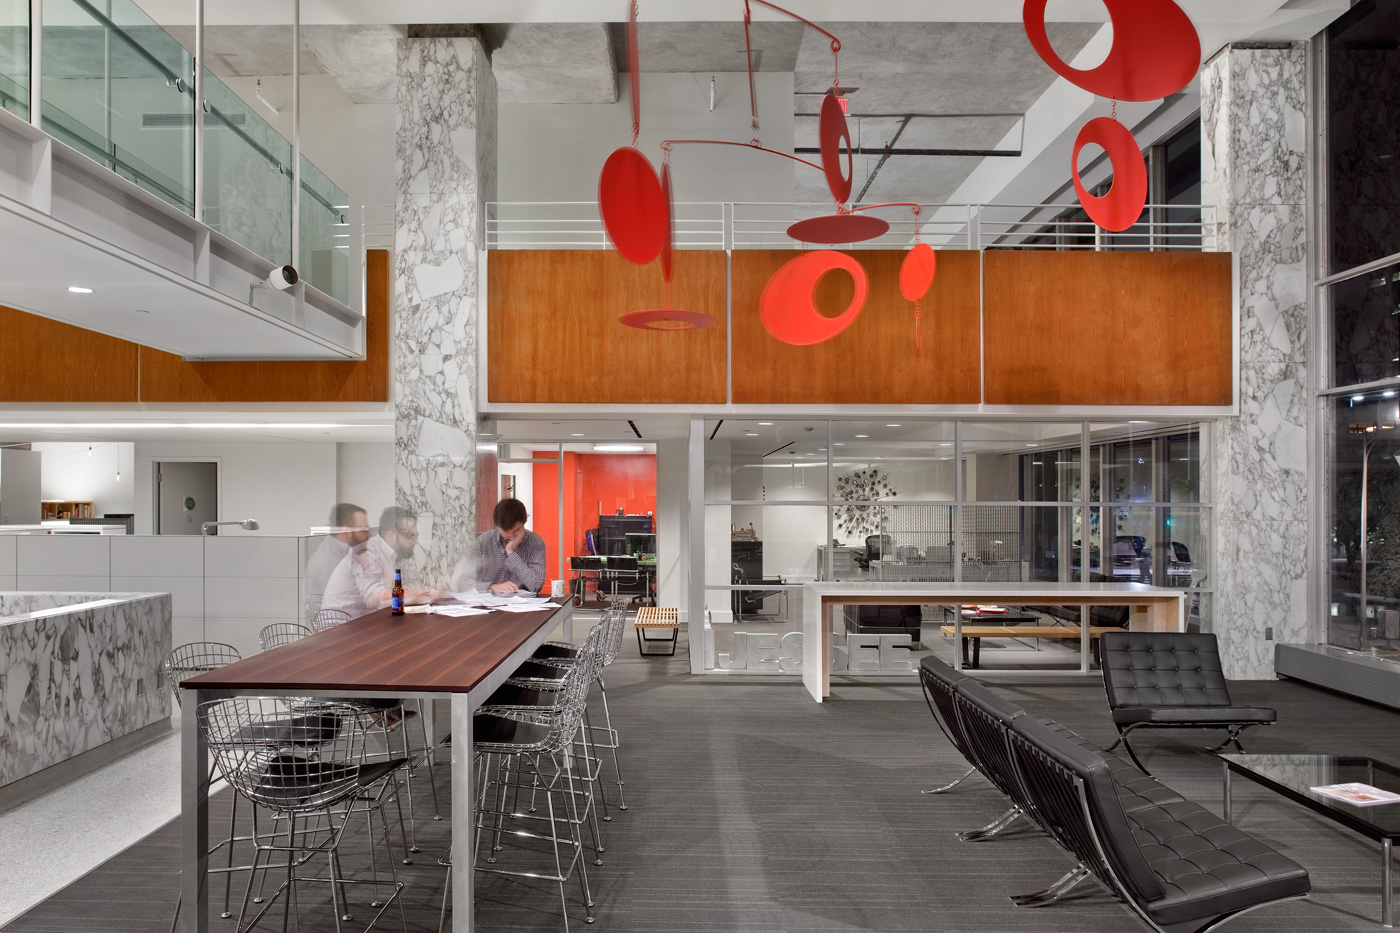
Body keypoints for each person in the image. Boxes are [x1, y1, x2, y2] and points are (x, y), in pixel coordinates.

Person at [323, 506, 439, 617]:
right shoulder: (368, 552)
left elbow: (410, 583)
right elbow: (374, 597)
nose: (415, 542)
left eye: (416, 536)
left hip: (364, 620)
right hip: (340, 625)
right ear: (392, 536)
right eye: (410, 536)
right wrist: (414, 595)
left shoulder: (398, 554)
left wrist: (424, 594)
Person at [452, 498, 547, 595]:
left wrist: (510, 553)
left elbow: (536, 586)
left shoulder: (535, 543)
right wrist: (492, 587)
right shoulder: (483, 542)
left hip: (523, 605)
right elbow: (462, 583)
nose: (512, 536)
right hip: (489, 605)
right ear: (497, 527)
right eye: (506, 531)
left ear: (524, 523)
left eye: (516, 530)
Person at [305, 502, 370, 603]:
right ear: (346, 532)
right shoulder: (329, 561)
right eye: (363, 530)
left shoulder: (343, 552)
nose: (369, 535)